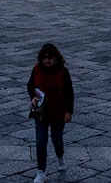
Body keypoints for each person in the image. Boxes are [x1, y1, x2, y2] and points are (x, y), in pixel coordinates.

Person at [27, 43, 73, 183]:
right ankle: (41, 172)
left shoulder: (63, 72)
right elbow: (30, 86)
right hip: (41, 113)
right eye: (45, 57)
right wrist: (33, 97)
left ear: (55, 58)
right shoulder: (36, 70)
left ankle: (60, 157)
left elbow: (69, 93)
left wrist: (69, 111)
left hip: (58, 112)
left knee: (56, 140)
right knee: (41, 141)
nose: (47, 60)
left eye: (50, 57)